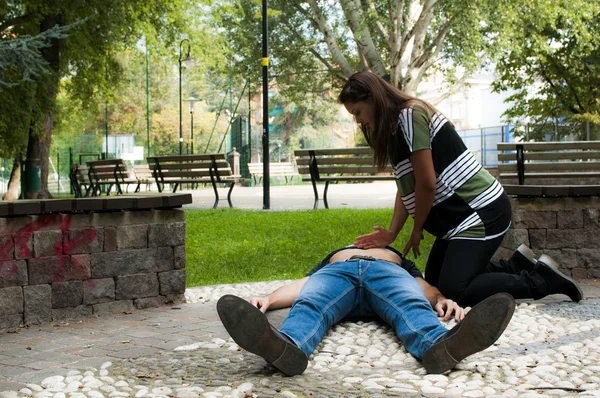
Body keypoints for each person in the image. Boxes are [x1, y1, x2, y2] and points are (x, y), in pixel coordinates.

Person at [338, 71, 583, 307]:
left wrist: (417, 229)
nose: (358, 120)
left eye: (358, 112)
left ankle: (541, 281)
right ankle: (517, 265)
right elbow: (407, 188)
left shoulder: (410, 116)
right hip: (458, 220)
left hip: (480, 211)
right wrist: (392, 232)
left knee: (456, 289)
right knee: (435, 282)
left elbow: (427, 183)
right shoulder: (394, 129)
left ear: (374, 97)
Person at [217, 245, 516, 376]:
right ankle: (286, 347)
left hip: (387, 274)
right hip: (337, 274)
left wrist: (439, 298)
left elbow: (419, 285)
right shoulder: (334, 257)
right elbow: (306, 285)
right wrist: (268, 299)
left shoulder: (395, 256)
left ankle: (440, 346)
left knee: (410, 305)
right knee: (310, 304)